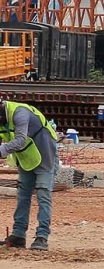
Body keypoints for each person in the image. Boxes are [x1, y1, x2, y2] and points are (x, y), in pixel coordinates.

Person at [0, 100, 58, 251]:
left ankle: (42, 236)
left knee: (43, 192)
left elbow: (20, 140)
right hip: (27, 155)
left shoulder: (20, 113)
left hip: (45, 150)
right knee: (23, 192)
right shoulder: (2, 118)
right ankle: (18, 234)